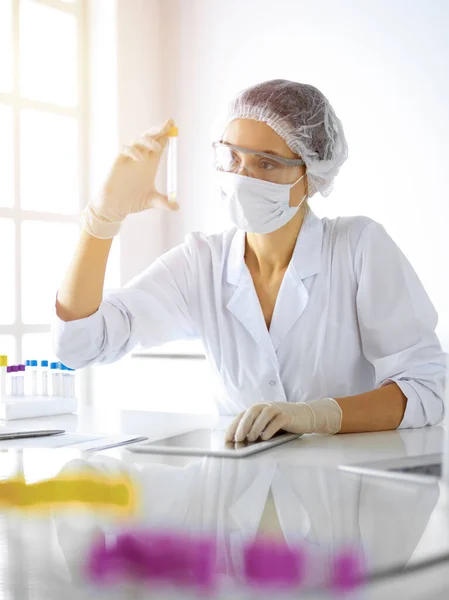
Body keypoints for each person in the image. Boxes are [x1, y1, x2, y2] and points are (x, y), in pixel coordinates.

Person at [54, 79, 446, 443]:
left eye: (266, 163)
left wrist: (317, 416)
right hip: (241, 499)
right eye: (233, 158)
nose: (242, 177)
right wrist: (102, 219)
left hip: (346, 496)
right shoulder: (202, 262)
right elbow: (81, 345)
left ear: (311, 176)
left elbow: (426, 389)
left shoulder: (359, 247)